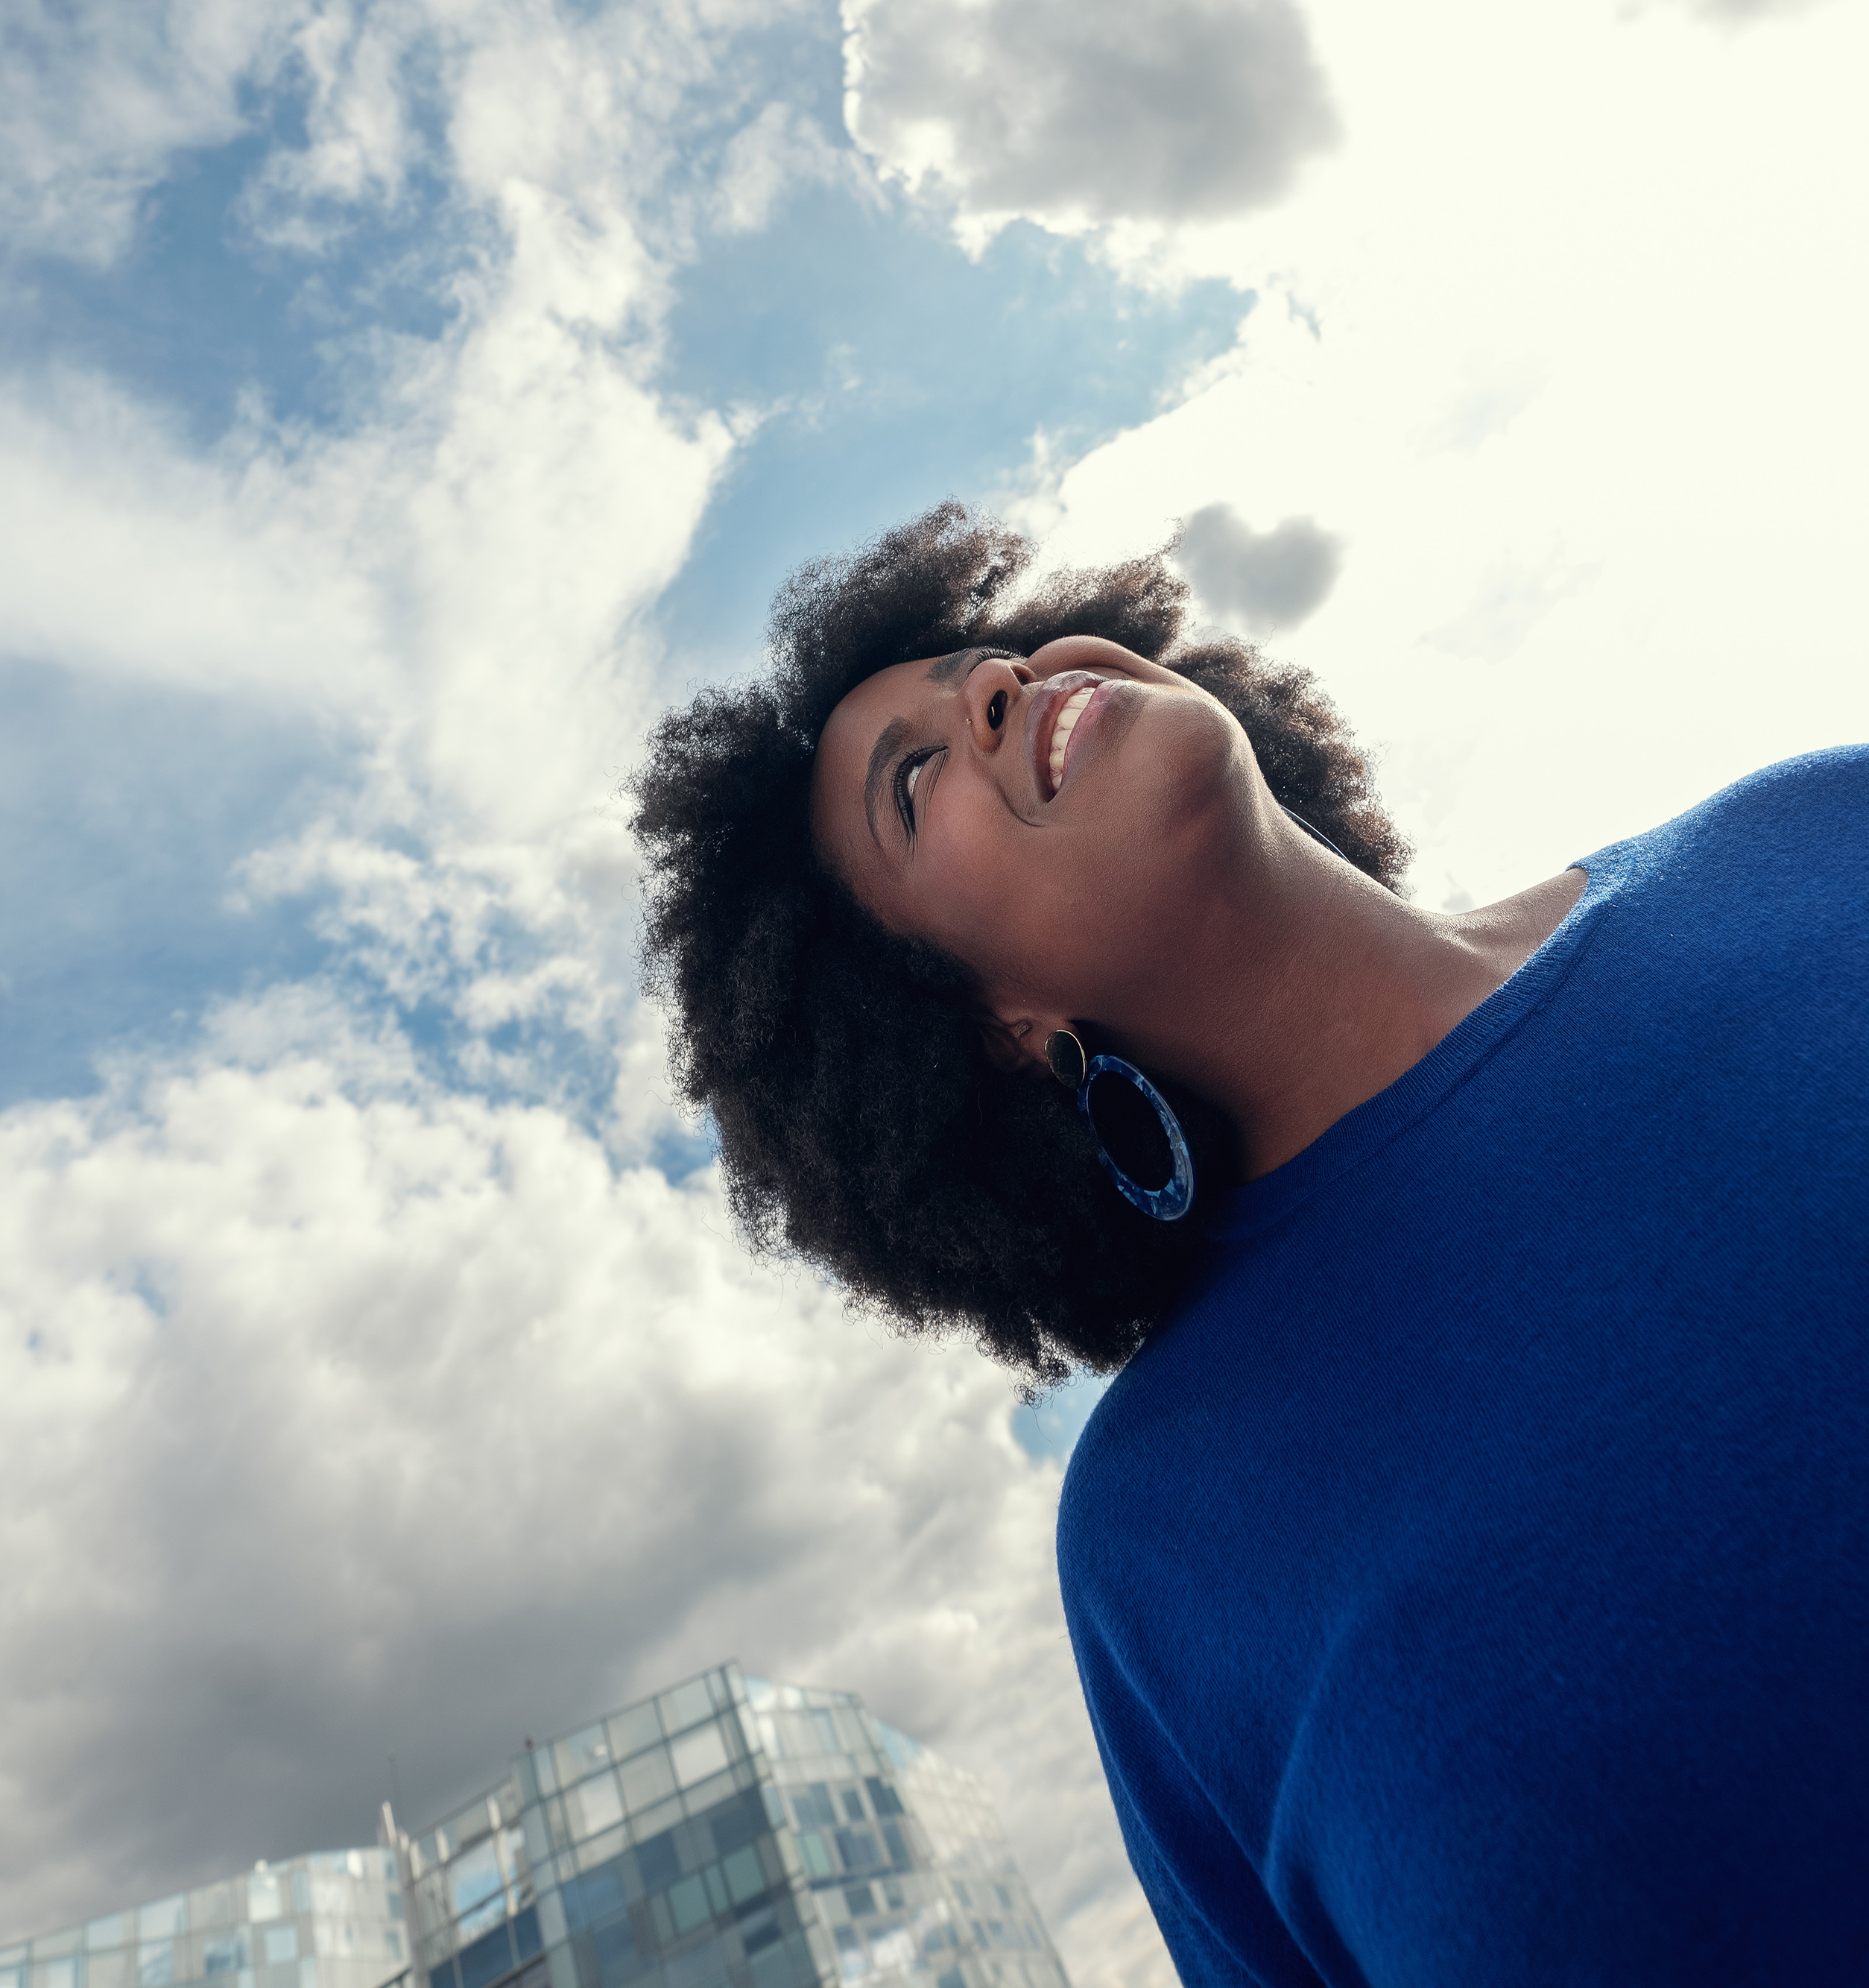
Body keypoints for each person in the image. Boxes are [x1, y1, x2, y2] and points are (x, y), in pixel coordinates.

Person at [630, 501, 1868, 1987]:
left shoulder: (1814, 835)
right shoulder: (1160, 1550)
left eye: (980, 661)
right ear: (988, 1032)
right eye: (912, 784)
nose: (997, 688)